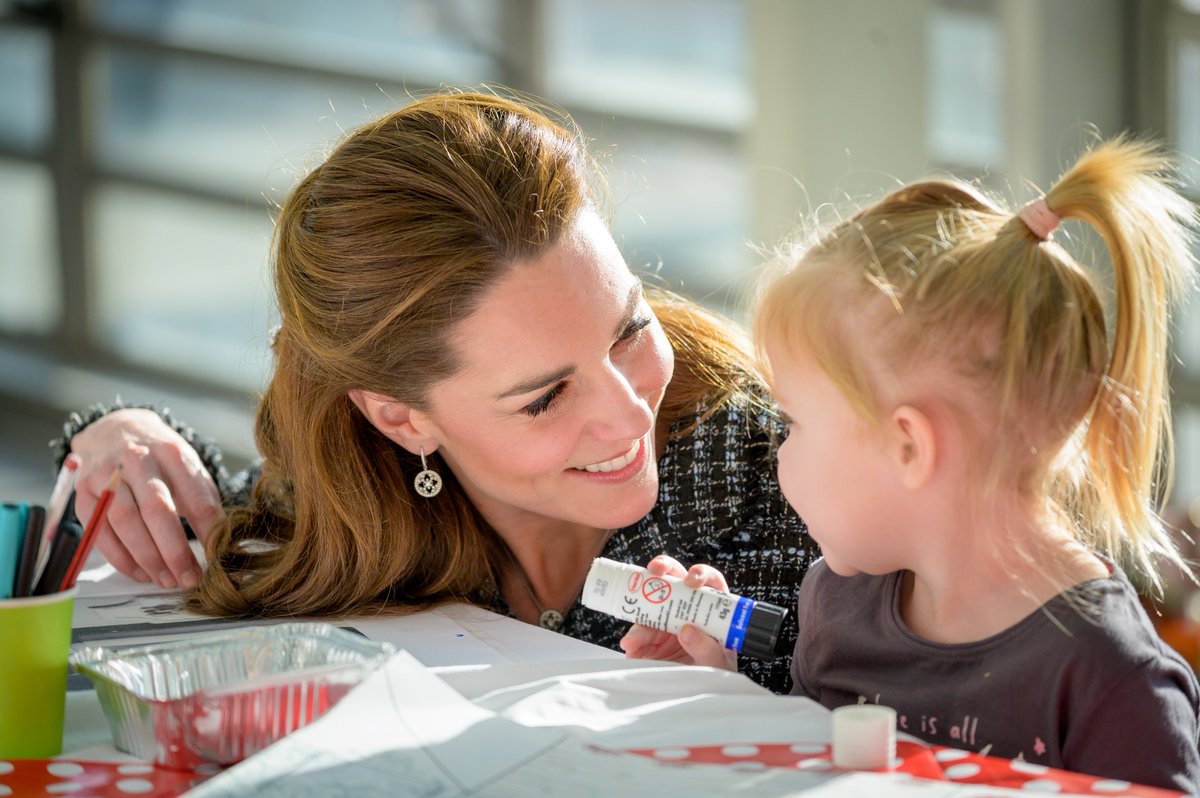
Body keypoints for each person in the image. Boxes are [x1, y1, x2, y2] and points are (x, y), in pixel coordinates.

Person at [54, 89, 816, 694]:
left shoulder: (794, 484)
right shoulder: (355, 493)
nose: (626, 411)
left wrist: (726, 715)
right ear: (398, 418)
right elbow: (223, 512)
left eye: (628, 329)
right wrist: (113, 432)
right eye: (544, 397)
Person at [621, 137, 1200, 791]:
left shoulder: (1112, 684)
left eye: (795, 424)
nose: (776, 452)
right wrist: (722, 694)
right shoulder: (836, 605)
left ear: (909, 447)